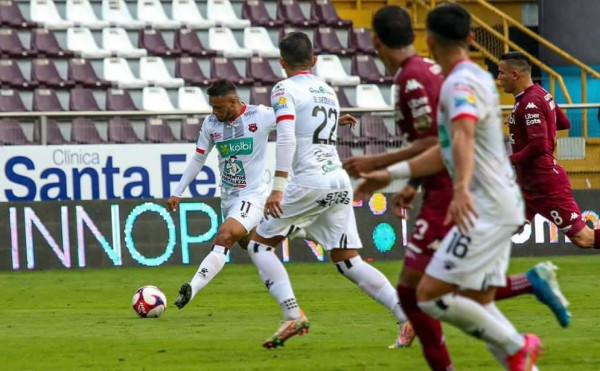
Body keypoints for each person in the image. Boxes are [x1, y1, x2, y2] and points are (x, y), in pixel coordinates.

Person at [344, 5, 568, 370]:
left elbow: (461, 134)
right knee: (476, 300)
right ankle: (524, 358)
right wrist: (387, 173)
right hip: (498, 201)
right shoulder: (474, 77)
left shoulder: (459, 84)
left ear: (428, 41)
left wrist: (461, 189)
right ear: (469, 38)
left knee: (427, 294)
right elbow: (444, 150)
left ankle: (518, 345)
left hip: (487, 205)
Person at [247, 31, 412, 350]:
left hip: (310, 181)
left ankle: (291, 314)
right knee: (348, 261)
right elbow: (315, 128)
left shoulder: (283, 88)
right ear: (314, 60)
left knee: (259, 246)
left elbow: (287, 137)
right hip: (338, 179)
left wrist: (278, 187)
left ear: (282, 63)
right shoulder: (327, 90)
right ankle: (406, 317)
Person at [168, 79, 298, 312]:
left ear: (233, 101)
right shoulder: (211, 124)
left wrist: (336, 121)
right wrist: (178, 192)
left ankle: (192, 288)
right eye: (212, 107)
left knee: (225, 236)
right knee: (255, 246)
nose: (213, 112)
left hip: (253, 195)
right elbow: (199, 158)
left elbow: (294, 122)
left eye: (218, 107)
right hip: (228, 198)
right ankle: (299, 230)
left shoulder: (260, 116)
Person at [497, 50, 600, 249]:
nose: (499, 78)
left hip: (544, 183)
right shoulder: (541, 94)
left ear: (515, 74)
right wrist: (518, 123)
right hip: (527, 183)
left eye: (501, 73)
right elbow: (563, 122)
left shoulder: (530, 102)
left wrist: (507, 161)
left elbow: (539, 145)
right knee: (499, 230)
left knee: (584, 238)